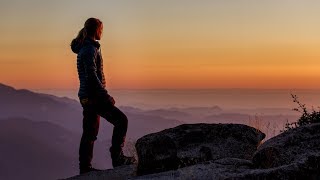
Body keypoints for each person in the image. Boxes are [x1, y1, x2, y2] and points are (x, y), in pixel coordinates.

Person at [70, 17, 135, 174]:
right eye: (102, 30)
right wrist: (106, 96)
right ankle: (117, 159)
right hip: (94, 97)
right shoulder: (89, 49)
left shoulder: (87, 48)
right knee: (121, 120)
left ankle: (85, 168)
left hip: (88, 96)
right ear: (97, 30)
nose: (102, 33)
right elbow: (92, 77)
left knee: (90, 132)